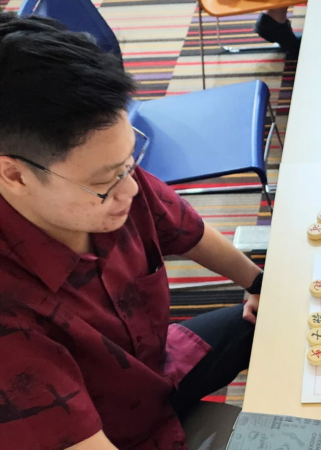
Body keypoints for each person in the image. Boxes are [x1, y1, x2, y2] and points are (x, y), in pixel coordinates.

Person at [0, 13, 265, 450]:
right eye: (106, 182)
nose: (131, 189)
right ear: (15, 175)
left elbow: (187, 230)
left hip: (153, 372)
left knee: (282, 319)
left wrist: (260, 284)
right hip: (108, 433)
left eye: (130, 162)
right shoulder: (10, 324)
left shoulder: (106, 179)